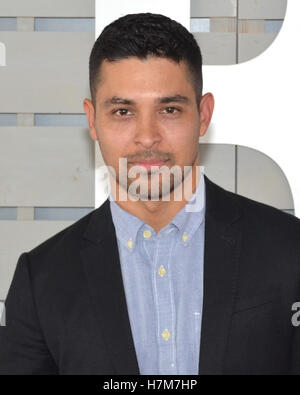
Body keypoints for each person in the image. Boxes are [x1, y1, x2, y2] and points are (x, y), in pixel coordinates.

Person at [0, 12, 300, 376]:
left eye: (169, 109)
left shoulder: (289, 249)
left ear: (203, 115)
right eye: (123, 111)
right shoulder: (42, 281)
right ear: (92, 120)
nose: (147, 136)